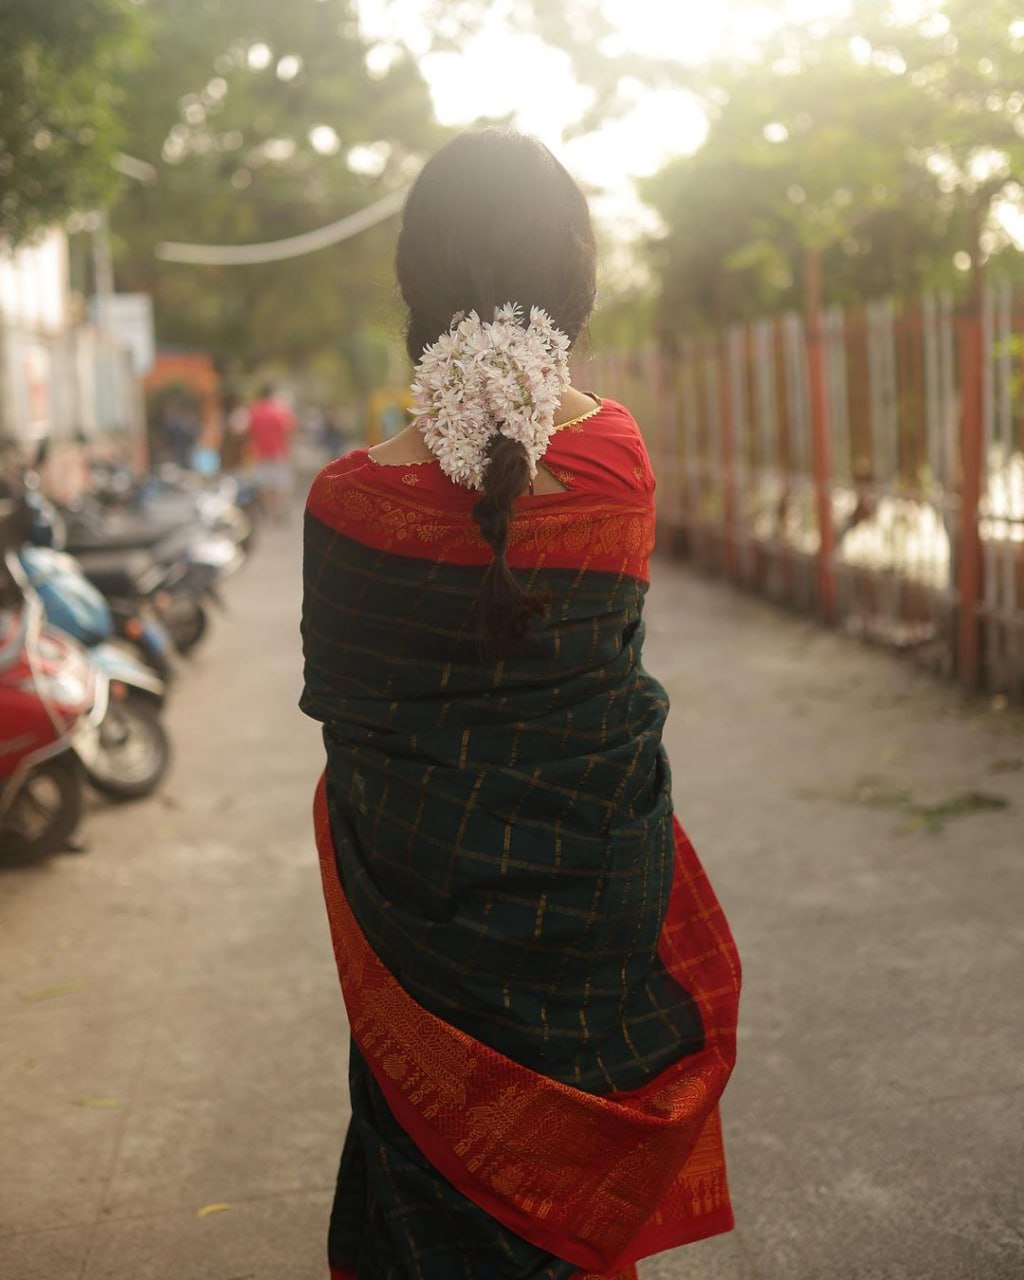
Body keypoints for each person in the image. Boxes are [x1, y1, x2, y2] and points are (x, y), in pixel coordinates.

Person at [300, 128, 741, 1280]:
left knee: (429, 1195)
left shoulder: (343, 507)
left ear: (414, 286)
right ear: (573, 286)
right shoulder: (619, 460)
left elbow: (348, 727)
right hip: (592, 920)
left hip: (423, 940)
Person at [247, 383, 295, 520]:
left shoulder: (254, 410)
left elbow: (250, 431)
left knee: (264, 483)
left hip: (260, 452)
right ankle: (279, 510)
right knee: (281, 483)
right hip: (279, 452)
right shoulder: (281, 410)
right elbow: (288, 431)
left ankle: (269, 511)